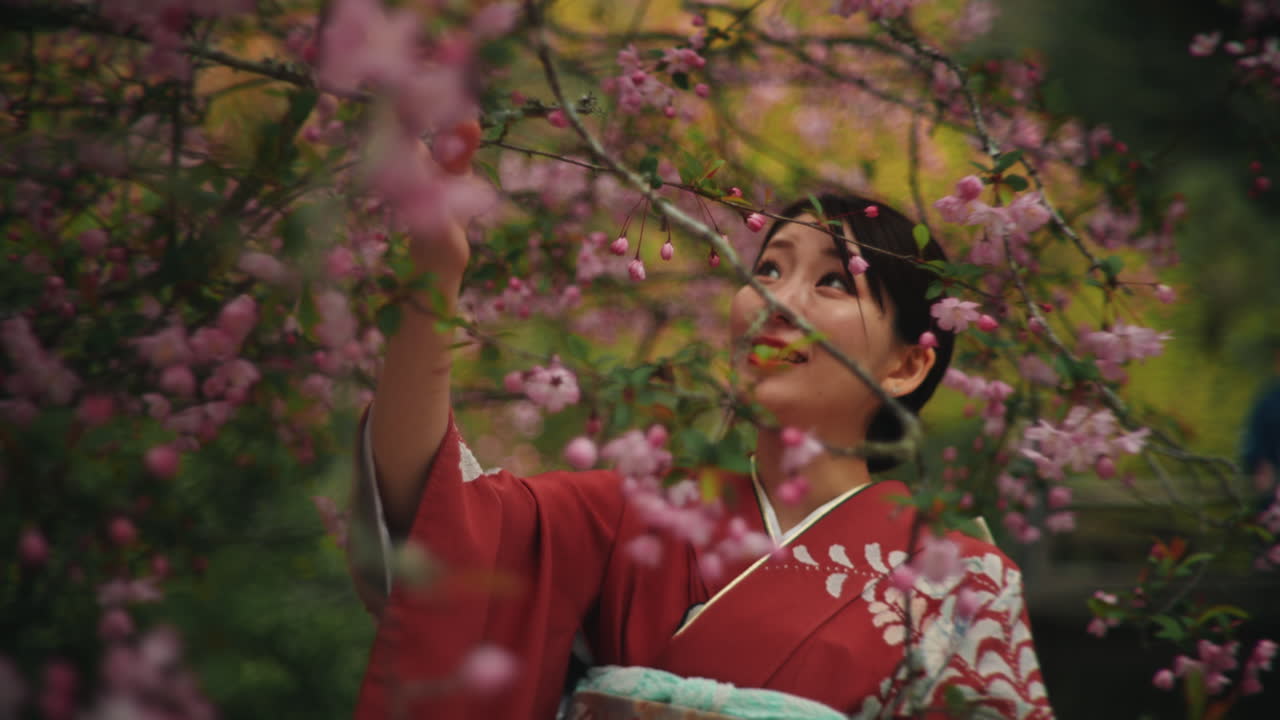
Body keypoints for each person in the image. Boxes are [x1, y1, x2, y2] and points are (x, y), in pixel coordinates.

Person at [345, 133, 1055, 719]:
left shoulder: (963, 583)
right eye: (768, 270)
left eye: (833, 280)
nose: (777, 301)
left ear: (906, 365)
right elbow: (437, 515)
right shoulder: (636, 516)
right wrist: (436, 275)